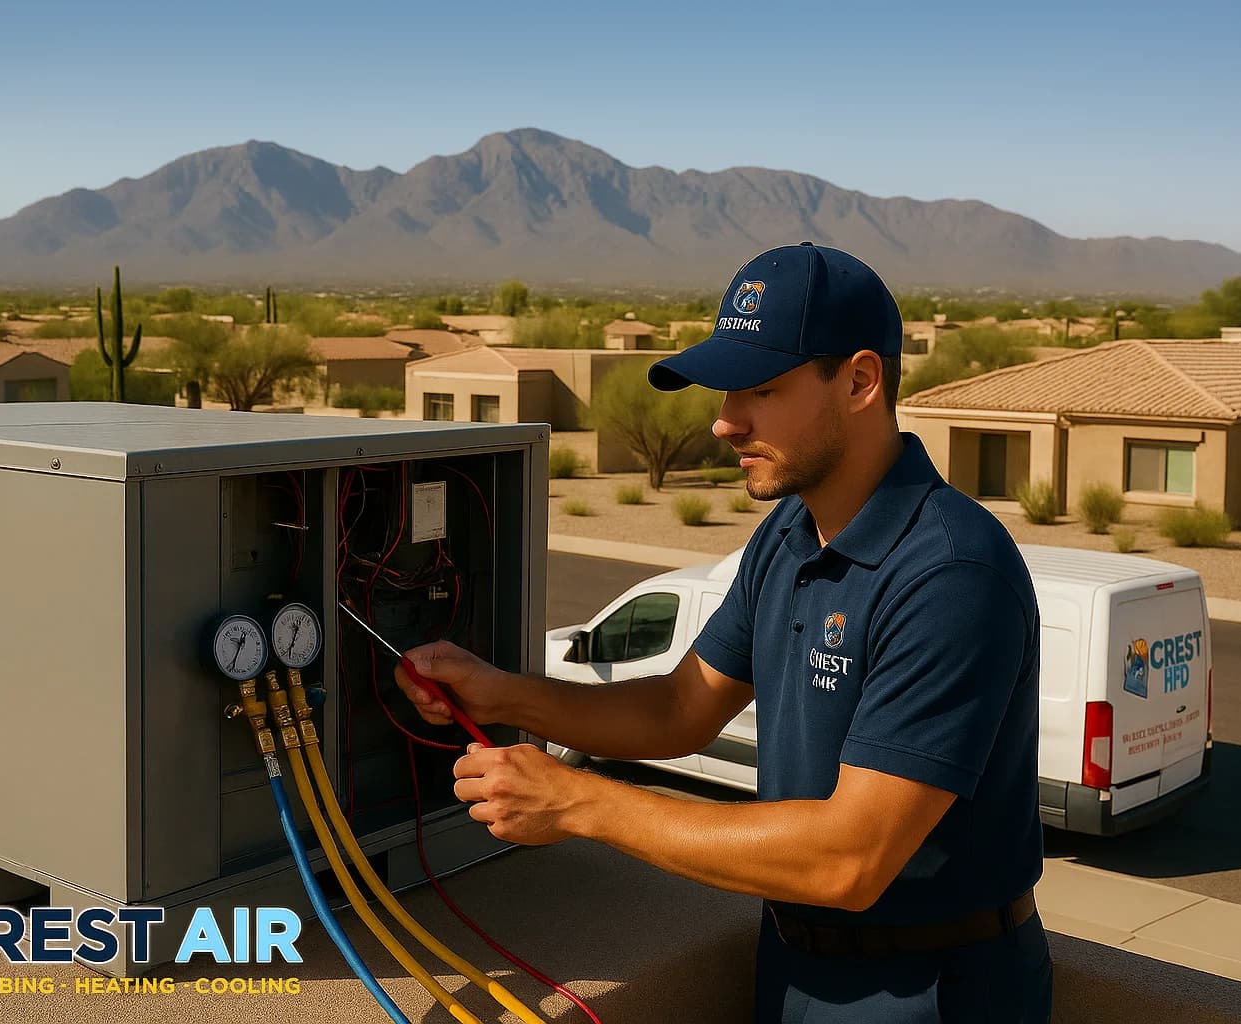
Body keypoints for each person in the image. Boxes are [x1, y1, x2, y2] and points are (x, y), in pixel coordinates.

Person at [394, 243, 1053, 1022]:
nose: (725, 421)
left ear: (860, 382)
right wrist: (501, 694)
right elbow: (679, 709)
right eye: (728, 390)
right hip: (792, 965)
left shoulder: (951, 572)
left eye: (761, 389)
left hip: (928, 992)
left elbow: (851, 859)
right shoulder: (788, 535)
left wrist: (577, 803)